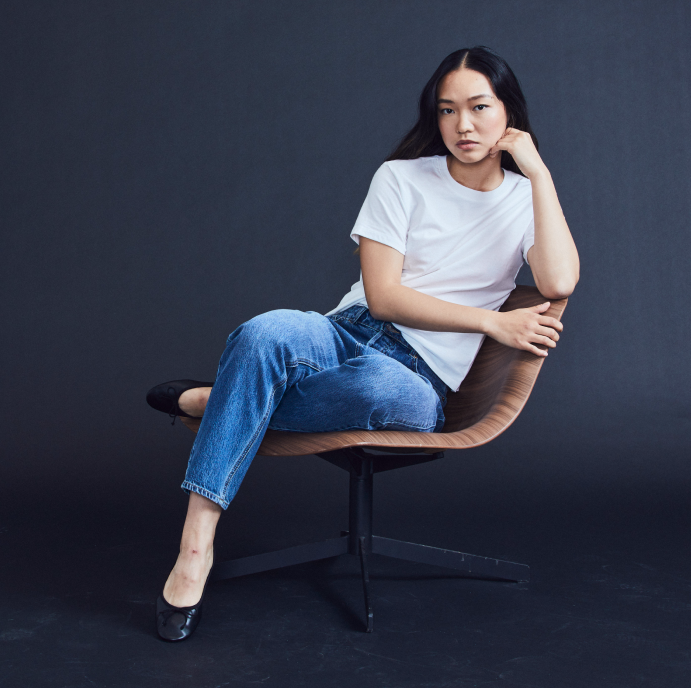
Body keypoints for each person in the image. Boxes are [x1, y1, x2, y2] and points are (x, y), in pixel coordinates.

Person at [145, 45, 579, 642]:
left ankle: (220, 399)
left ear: (510, 113)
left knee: (375, 386)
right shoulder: (401, 177)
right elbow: (384, 298)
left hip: (418, 378)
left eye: (480, 107)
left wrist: (540, 174)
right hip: (347, 333)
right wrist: (490, 323)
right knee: (264, 330)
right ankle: (196, 545)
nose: (464, 125)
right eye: (448, 110)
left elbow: (559, 282)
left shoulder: (525, 199)